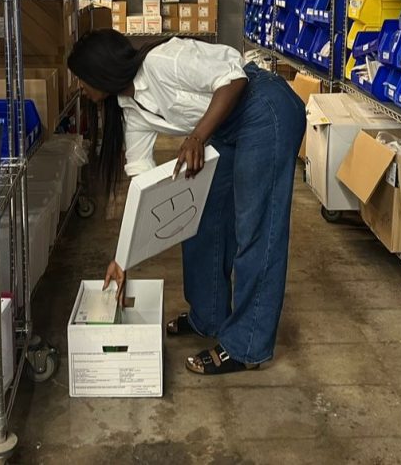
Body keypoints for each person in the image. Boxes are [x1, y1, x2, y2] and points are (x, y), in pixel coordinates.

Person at [66, 29, 306, 375]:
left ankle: (246, 345)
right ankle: (208, 316)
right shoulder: (130, 108)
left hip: (264, 108)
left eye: (81, 78)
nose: (80, 87)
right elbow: (143, 185)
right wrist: (123, 259)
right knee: (202, 216)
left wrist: (196, 137)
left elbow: (233, 78)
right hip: (226, 127)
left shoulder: (163, 60)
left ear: (99, 70)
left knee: (256, 227)